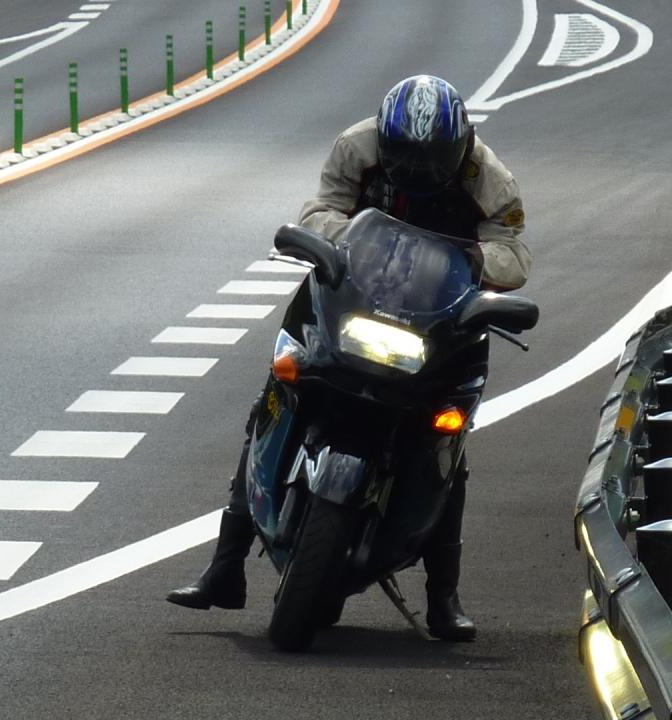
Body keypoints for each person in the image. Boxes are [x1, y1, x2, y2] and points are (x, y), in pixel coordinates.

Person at [166, 75, 532, 642]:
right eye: (404, 154)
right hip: (351, 292)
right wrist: (341, 242)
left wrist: (471, 265)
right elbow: (320, 209)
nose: (416, 167)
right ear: (384, 141)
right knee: (277, 393)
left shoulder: (491, 179)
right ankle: (225, 565)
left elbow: (514, 254)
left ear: (459, 148)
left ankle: (444, 596)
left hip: (441, 318)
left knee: (448, 442)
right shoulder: (355, 147)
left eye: (430, 157)